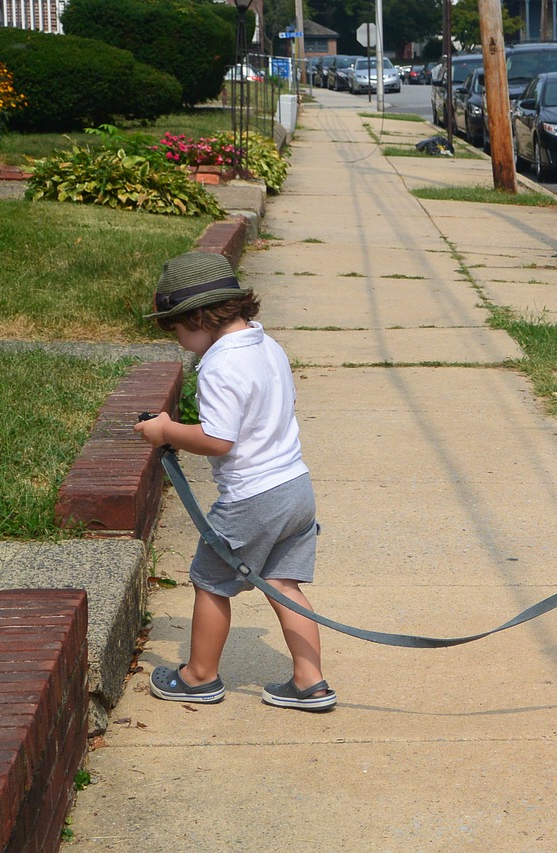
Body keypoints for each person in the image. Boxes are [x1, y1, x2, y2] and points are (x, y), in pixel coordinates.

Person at [134, 251, 335, 712]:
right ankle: (310, 680)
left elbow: (217, 439)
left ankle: (199, 676)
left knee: (211, 581)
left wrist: (166, 432)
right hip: (295, 487)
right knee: (283, 584)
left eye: (179, 330)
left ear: (200, 317)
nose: (181, 342)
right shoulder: (267, 346)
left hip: (253, 497)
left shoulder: (221, 365)